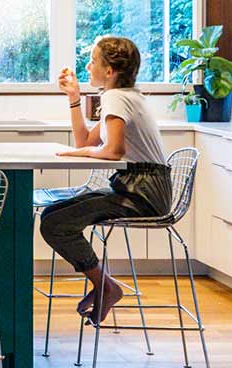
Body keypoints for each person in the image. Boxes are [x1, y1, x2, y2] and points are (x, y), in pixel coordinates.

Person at [40, 35, 172, 324]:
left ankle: (106, 286)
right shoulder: (123, 96)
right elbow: (86, 139)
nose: (87, 66)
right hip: (143, 187)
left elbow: (114, 151)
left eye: (93, 61)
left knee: (54, 223)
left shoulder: (115, 97)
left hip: (143, 193)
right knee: (53, 216)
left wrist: (80, 152)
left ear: (110, 71)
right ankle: (104, 285)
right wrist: (74, 99)